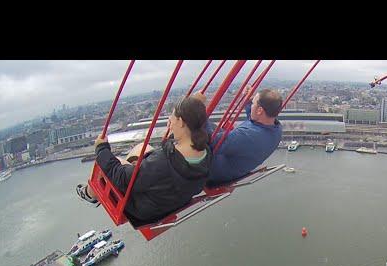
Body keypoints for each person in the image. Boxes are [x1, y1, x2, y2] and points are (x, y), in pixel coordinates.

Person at [76, 97, 211, 223]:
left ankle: (89, 194)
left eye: (172, 116)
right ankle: (137, 170)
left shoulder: (163, 162)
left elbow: (121, 178)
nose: (169, 120)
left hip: (147, 209)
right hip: (174, 197)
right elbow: (174, 159)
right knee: (141, 148)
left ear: (181, 122)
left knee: (111, 165)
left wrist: (101, 148)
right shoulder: (205, 151)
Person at [193, 87, 283, 185]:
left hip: (213, 169)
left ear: (260, 110)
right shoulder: (276, 129)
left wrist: (197, 106)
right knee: (207, 124)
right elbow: (254, 118)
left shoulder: (247, 136)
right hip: (232, 165)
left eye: (253, 103)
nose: (251, 105)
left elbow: (211, 141)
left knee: (193, 125)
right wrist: (249, 100)